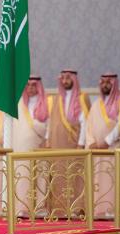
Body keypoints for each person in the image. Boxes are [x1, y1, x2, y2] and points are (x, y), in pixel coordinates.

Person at [46, 70, 90, 218]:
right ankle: (59, 209)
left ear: (74, 79)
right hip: (57, 144)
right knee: (58, 175)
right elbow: (50, 122)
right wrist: (47, 139)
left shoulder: (82, 98)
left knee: (75, 176)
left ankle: (76, 209)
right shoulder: (56, 99)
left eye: (68, 78)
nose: (65, 80)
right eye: (63, 78)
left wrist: (81, 143)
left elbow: (85, 123)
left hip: (74, 144)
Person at [85, 73, 120, 218]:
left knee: (112, 180)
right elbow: (89, 125)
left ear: (114, 84)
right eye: (103, 82)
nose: (105, 85)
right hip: (96, 152)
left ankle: (113, 211)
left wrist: (107, 141)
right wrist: (91, 142)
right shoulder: (96, 104)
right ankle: (98, 211)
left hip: (112, 150)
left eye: (108, 82)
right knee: (98, 180)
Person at [12, 76, 49, 218]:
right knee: (23, 175)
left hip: (39, 146)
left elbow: (48, 126)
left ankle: (39, 208)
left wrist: (43, 135)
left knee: (40, 176)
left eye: (34, 85)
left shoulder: (45, 103)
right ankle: (21, 208)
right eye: (28, 85)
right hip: (22, 146)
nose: (31, 88)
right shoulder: (20, 103)